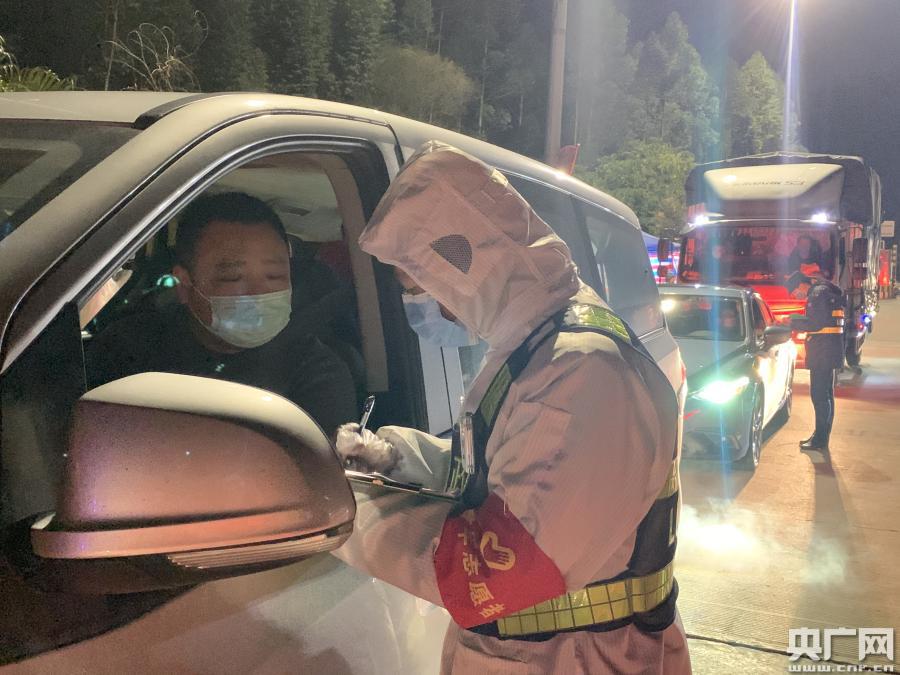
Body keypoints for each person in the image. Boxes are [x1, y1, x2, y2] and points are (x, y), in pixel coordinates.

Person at [333, 142, 690, 674]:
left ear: (461, 267)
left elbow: (495, 572)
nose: (425, 308)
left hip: (576, 660)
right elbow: (509, 472)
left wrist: (340, 511)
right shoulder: (540, 342)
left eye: (421, 287)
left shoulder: (577, 371)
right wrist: (397, 458)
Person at [86, 191, 357, 434]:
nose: (257, 293)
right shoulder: (128, 350)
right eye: (232, 278)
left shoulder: (316, 372)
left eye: (275, 276)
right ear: (184, 284)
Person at [787, 265, 845, 452]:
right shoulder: (826, 291)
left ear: (802, 284)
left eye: (795, 292)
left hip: (822, 351)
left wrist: (791, 322)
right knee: (826, 395)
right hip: (829, 350)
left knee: (819, 396)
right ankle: (821, 436)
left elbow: (815, 323)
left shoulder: (817, 294)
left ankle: (819, 439)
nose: (797, 296)